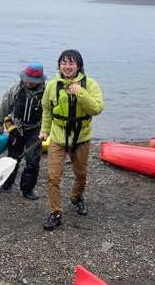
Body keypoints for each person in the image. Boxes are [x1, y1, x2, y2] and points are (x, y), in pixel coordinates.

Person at [39, 49, 104, 231]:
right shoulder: (52, 85)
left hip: (81, 138)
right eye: (63, 63)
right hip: (58, 137)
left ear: (78, 65)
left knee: (81, 175)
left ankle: (76, 197)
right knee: (53, 177)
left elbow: (97, 109)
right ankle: (55, 213)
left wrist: (80, 92)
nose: (67, 67)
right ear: (59, 65)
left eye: (71, 63)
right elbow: (47, 109)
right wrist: (44, 131)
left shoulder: (89, 84)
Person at [0, 62, 46, 200]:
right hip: (17, 128)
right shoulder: (15, 90)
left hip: (35, 129)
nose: (29, 83)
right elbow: (4, 107)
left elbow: (51, 112)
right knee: (13, 156)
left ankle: (27, 189)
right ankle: (7, 182)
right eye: (27, 80)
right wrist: (0, 124)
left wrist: (47, 130)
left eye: (33, 81)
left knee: (33, 160)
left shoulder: (46, 93)